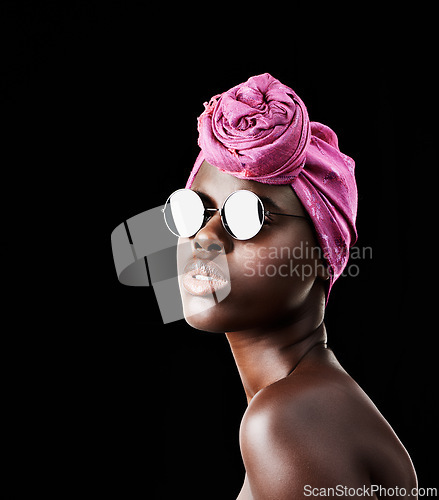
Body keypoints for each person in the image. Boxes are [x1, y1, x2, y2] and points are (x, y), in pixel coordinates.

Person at [163, 74, 417, 499]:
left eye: (247, 216)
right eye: (193, 208)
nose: (204, 237)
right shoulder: (315, 403)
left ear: (324, 252)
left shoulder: (288, 419)